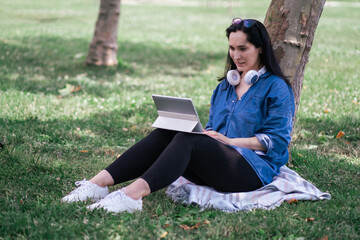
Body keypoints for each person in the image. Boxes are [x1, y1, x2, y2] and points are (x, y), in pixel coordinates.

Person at [62, 18, 295, 213]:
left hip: (251, 171)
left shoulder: (276, 88)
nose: (236, 55)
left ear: (260, 48)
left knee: (188, 141)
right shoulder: (225, 86)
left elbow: (277, 141)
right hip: (220, 164)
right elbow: (214, 129)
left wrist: (231, 142)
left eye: (243, 48)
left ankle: (131, 196)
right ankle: (97, 184)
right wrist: (207, 136)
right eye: (232, 48)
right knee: (170, 132)